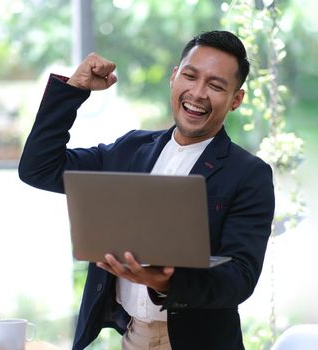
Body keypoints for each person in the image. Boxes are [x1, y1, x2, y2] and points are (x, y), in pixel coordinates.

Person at [18, 30, 275, 350]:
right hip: (133, 337)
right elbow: (39, 169)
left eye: (215, 85)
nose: (197, 93)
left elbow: (240, 278)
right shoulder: (129, 149)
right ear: (174, 77)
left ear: (236, 99)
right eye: (190, 76)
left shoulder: (249, 174)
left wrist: (168, 282)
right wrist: (74, 90)